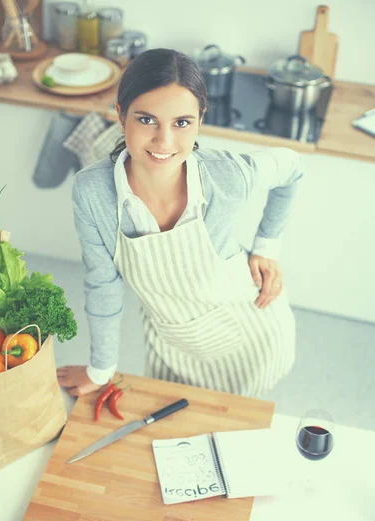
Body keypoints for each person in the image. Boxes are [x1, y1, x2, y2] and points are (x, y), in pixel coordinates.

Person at [57, 48, 303, 399]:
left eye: (181, 123)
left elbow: (292, 168)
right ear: (120, 114)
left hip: (251, 332)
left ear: (200, 118)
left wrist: (267, 246)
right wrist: (101, 370)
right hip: (171, 344)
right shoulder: (93, 191)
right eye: (146, 120)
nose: (164, 141)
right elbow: (102, 284)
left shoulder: (226, 176)